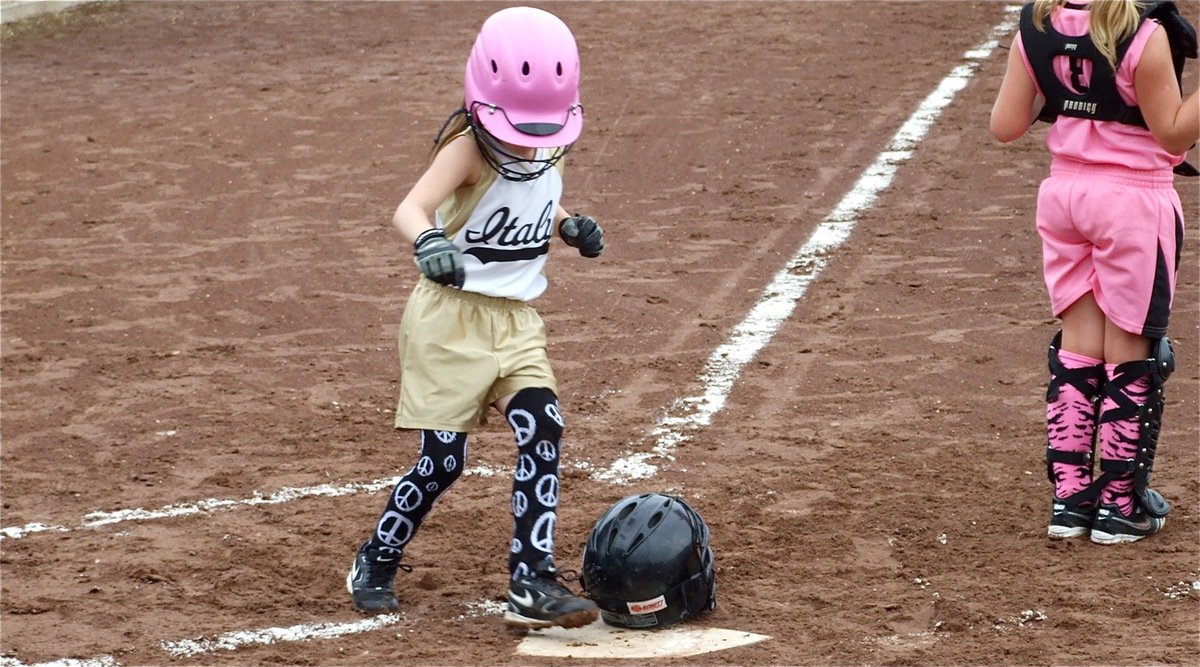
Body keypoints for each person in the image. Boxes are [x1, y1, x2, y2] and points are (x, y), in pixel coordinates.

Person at [346, 6, 604, 628]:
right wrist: (427, 242)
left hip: (516, 322)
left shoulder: (546, 143)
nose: (527, 141)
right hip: (449, 321)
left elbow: (540, 187)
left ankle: (531, 578)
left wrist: (567, 224)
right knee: (442, 461)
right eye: (518, 128)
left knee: (543, 425)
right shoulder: (468, 148)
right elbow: (411, 206)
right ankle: (377, 556)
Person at [990, 0, 1197, 544]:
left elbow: (1006, 125)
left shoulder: (1038, 25)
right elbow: (1174, 135)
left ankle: (1070, 499)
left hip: (1064, 196)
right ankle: (1119, 505)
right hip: (1131, 201)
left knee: (1080, 344)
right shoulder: (1141, 34)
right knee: (1132, 349)